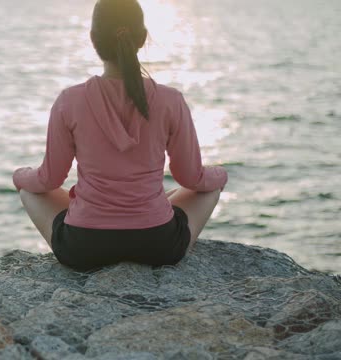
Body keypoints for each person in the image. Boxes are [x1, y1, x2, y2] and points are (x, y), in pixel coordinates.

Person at [12, 0, 228, 271]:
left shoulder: (70, 100)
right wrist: (221, 175)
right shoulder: (170, 100)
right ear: (142, 37)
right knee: (204, 191)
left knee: (30, 193)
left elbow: (49, 179)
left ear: (93, 39)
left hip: (83, 248)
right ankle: (149, 211)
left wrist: (19, 176)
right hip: (158, 245)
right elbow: (192, 178)